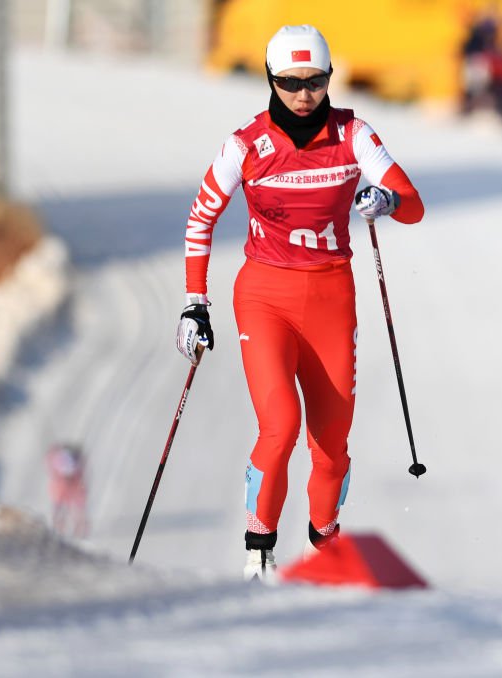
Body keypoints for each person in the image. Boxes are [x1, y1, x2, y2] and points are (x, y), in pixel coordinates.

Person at [175, 25, 424, 582]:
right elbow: (200, 219)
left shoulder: (354, 134)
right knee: (280, 425)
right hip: (266, 297)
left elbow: (414, 204)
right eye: (290, 83)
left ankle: (325, 549)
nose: (304, 94)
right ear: (270, 81)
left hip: (332, 298)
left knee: (331, 444)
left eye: (315, 81)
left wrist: (383, 198)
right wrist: (196, 303)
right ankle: (258, 552)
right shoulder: (245, 146)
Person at [46, 442, 88, 538]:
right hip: (66, 487)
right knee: (69, 510)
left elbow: (65, 471)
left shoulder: (59, 458)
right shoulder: (68, 460)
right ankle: (72, 530)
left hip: (64, 488)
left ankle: (65, 530)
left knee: (65, 510)